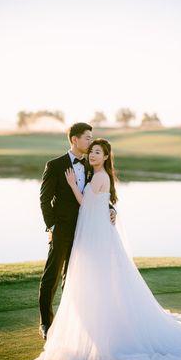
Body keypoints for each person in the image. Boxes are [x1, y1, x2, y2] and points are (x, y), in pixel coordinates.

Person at [25, 138, 181, 360]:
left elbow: (90, 203)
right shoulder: (68, 167)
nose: (92, 152)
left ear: (105, 157)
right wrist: (54, 224)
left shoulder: (98, 175)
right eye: (90, 147)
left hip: (94, 235)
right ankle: (52, 325)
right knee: (64, 277)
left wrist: (80, 190)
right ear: (75, 140)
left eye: (97, 150)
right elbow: (53, 200)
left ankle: (99, 331)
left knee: (89, 280)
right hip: (73, 232)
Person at [38, 123, 117, 340]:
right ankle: (46, 324)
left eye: (92, 139)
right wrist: (52, 226)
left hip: (86, 231)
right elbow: (44, 200)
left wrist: (111, 209)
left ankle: (72, 323)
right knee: (51, 277)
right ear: (74, 139)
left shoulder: (91, 165)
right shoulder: (55, 165)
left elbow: (97, 195)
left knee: (74, 277)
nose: (91, 143)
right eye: (87, 138)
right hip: (62, 229)